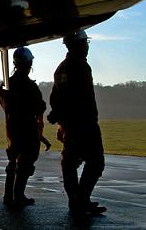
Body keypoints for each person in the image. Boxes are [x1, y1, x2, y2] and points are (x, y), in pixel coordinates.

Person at [48, 30, 107, 216]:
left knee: (70, 163)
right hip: (84, 124)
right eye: (85, 42)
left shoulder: (61, 68)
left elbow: (55, 97)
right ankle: (80, 200)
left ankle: (76, 201)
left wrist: (59, 116)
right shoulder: (81, 66)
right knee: (96, 163)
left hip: (68, 125)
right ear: (79, 44)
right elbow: (80, 97)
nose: (87, 46)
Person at [0, 47, 46, 207]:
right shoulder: (30, 86)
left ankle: (8, 195)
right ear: (29, 63)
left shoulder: (6, 85)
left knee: (13, 160)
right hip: (27, 127)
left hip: (12, 127)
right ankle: (18, 195)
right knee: (25, 163)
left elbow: (4, 104)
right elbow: (40, 107)